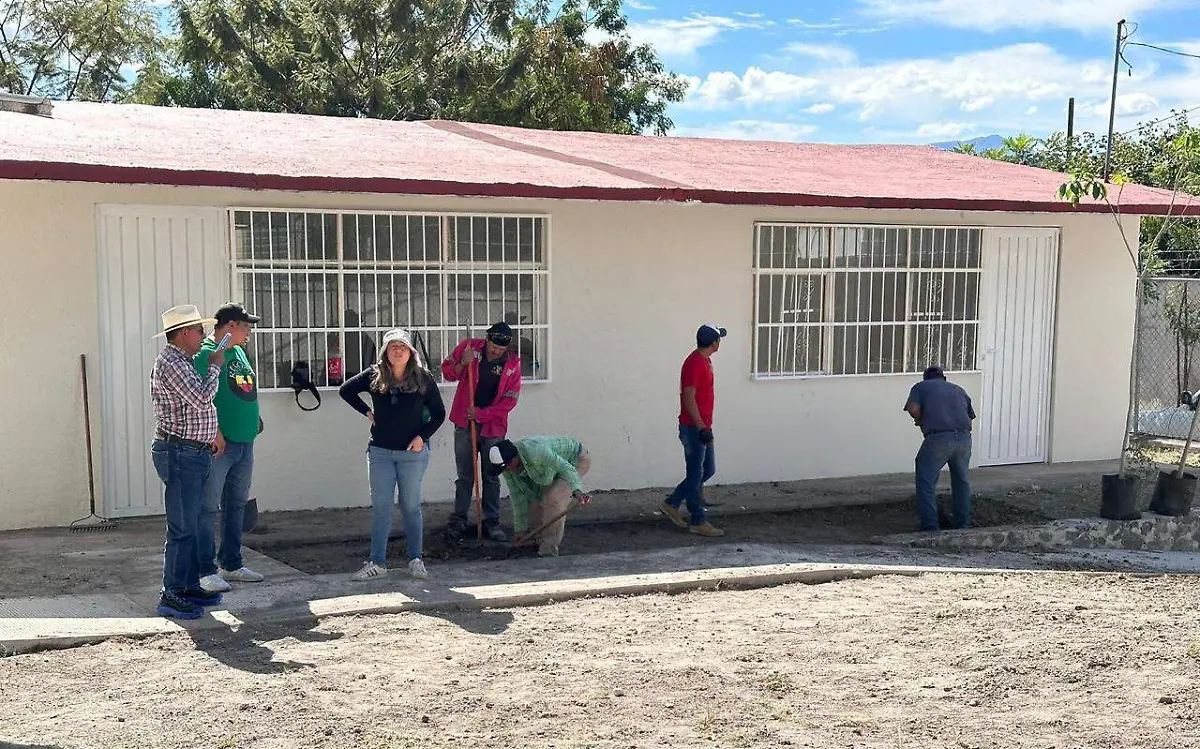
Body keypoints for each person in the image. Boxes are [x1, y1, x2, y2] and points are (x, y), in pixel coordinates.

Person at [340, 328, 446, 580]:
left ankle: (416, 559)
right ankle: (377, 562)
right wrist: (367, 412)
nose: (397, 351)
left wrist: (422, 437)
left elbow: (439, 414)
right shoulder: (375, 375)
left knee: (410, 505)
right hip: (380, 452)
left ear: (410, 352)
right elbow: (346, 390)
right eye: (392, 346)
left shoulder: (423, 378)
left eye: (402, 347)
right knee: (381, 507)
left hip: (412, 454)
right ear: (385, 352)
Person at [149, 304, 226, 620]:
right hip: (181, 453)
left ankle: (187, 586)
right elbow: (202, 398)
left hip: (190, 452)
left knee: (189, 524)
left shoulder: (182, 361)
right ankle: (172, 594)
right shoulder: (173, 363)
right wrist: (215, 366)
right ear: (183, 334)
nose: (203, 335)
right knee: (182, 527)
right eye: (198, 330)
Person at [195, 302, 265, 594]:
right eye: (245, 326)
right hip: (220, 446)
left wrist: (254, 417)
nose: (248, 332)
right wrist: (215, 431)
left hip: (244, 442)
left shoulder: (238, 351)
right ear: (231, 325)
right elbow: (201, 397)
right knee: (207, 507)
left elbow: (243, 388)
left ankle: (231, 564)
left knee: (236, 505)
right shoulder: (207, 353)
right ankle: (204, 570)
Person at [441, 322, 523, 543]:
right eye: (493, 347)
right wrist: (462, 363)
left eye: (501, 349)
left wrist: (482, 414)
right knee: (465, 476)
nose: (496, 352)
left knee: (491, 475)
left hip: (493, 426)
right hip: (464, 423)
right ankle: (458, 520)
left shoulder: (513, 364)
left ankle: (491, 521)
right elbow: (447, 373)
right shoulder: (469, 348)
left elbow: (510, 400)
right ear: (486, 340)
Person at [660, 324, 726, 537]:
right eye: (719, 339)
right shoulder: (695, 363)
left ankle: (672, 502)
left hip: (702, 426)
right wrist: (701, 427)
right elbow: (689, 397)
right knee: (696, 473)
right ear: (714, 343)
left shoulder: (704, 361)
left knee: (707, 470)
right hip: (693, 428)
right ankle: (697, 519)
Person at [487, 436, 591, 557]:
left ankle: (548, 551)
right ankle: (535, 541)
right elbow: (518, 496)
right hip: (549, 471)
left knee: (554, 499)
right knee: (534, 500)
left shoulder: (536, 452)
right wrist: (521, 530)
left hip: (574, 461)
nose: (507, 470)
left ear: (514, 458)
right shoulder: (508, 468)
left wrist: (577, 490)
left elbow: (565, 468)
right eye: (503, 468)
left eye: (507, 466)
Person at [904, 365, 976, 532]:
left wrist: (921, 420)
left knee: (926, 482)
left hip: (938, 438)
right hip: (964, 438)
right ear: (943, 378)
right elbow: (969, 415)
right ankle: (962, 526)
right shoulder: (958, 389)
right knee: (961, 482)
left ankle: (930, 527)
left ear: (925, 378)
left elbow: (913, 409)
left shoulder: (920, 387)